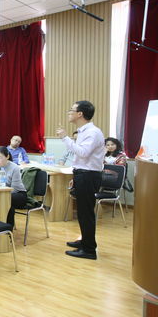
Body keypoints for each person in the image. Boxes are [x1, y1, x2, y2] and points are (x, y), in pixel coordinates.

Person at [56, 100, 105, 260]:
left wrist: (65, 138)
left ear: (80, 114)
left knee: (86, 213)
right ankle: (85, 241)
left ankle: (89, 250)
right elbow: (81, 159)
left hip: (89, 175)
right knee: (83, 212)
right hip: (83, 174)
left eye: (71, 110)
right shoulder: (83, 131)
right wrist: (75, 177)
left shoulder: (93, 132)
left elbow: (83, 153)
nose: (69, 112)